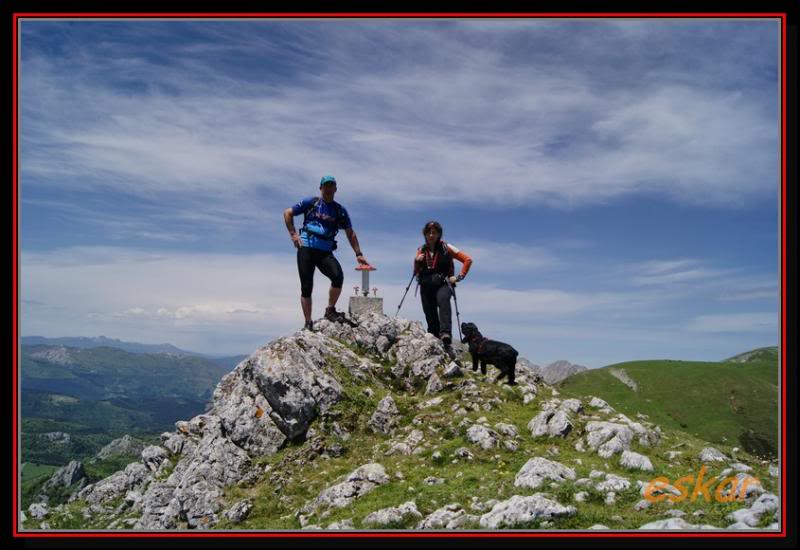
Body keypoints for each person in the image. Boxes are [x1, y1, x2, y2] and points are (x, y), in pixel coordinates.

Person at [284, 175, 369, 330]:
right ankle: (308, 322)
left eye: (331, 185)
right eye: (326, 185)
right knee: (306, 285)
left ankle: (330, 310)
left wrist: (358, 254)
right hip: (306, 247)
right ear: (321, 188)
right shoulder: (311, 202)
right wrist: (293, 234)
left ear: (335, 189)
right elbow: (288, 213)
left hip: (325, 251)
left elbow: (350, 233)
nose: (328, 188)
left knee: (338, 276)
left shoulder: (339, 210)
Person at [414, 220, 472, 357]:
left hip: (444, 283)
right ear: (425, 234)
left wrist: (458, 277)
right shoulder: (421, 250)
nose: (431, 235)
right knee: (429, 311)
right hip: (426, 284)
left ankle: (445, 333)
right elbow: (416, 272)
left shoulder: (447, 247)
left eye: (434, 232)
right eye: (428, 232)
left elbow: (467, 260)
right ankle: (434, 335)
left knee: (443, 299)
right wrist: (417, 260)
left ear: (439, 234)